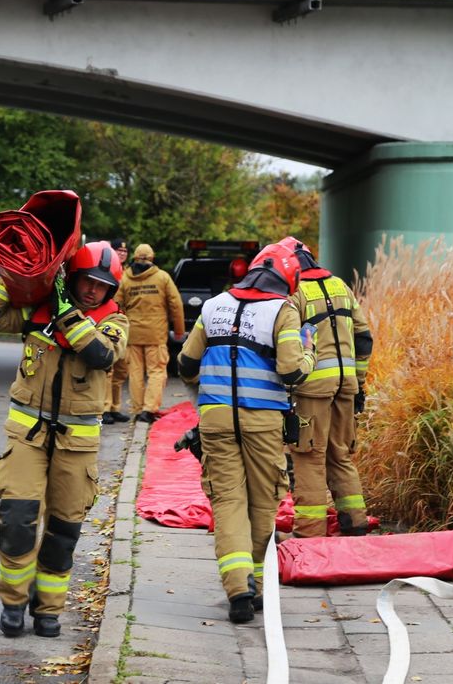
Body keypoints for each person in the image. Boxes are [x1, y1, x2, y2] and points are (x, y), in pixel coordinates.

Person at [0, 241, 129, 638]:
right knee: (16, 520)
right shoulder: (38, 310)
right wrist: (13, 273)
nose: (94, 290)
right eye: (88, 281)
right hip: (27, 436)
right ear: (73, 277)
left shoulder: (115, 321)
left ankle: (48, 609)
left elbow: (101, 355)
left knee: (64, 531)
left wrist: (68, 315)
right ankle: (13, 602)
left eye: (103, 285)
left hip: (76, 445)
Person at [177, 238, 316, 622]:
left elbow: (186, 365)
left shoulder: (213, 305)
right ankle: (254, 581)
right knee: (263, 500)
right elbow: (292, 370)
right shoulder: (283, 312)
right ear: (288, 280)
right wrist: (310, 352)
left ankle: (239, 589)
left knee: (227, 502)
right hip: (262, 421)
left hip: (217, 420)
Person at [286, 240, 374, 538]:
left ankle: (309, 532)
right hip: (346, 386)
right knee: (340, 453)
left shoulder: (294, 293)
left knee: (308, 454)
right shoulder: (341, 287)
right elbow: (363, 338)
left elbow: (285, 344)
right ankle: (356, 522)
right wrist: (358, 383)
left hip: (313, 389)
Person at [115, 243, 185, 424]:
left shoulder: (125, 279)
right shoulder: (162, 278)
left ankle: (137, 409)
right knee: (157, 372)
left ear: (135, 257)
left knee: (135, 373)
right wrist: (178, 330)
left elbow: (117, 305)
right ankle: (149, 409)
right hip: (156, 334)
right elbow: (176, 305)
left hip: (133, 334)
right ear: (152, 258)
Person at [104, 238, 131, 425]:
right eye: (118, 250)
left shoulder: (129, 274)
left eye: (125, 251)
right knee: (109, 371)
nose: (122, 253)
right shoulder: (107, 272)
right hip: (109, 322)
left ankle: (115, 407)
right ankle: (104, 408)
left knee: (121, 371)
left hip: (125, 325)